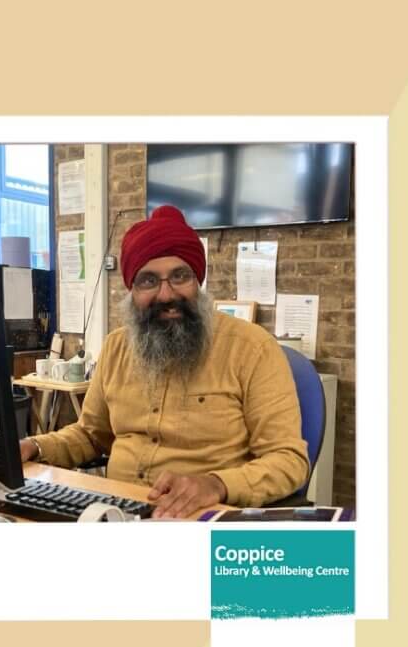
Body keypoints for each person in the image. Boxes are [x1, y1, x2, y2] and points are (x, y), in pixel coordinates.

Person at [20, 205, 309, 518]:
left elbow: (288, 460)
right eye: (148, 281)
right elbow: (91, 435)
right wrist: (34, 446)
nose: (166, 294)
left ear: (197, 281)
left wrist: (216, 484)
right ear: (131, 289)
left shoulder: (252, 349)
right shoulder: (118, 347)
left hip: (204, 517)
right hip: (117, 512)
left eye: (180, 276)